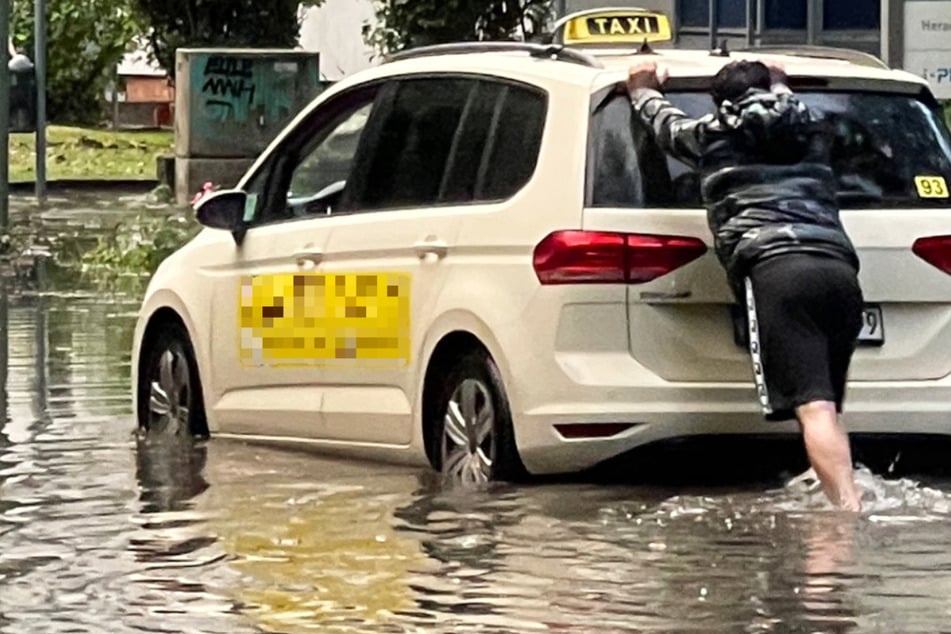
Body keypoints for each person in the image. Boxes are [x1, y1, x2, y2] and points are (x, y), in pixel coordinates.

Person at [626, 59, 864, 512]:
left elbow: (665, 125)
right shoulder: (814, 125)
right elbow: (782, 105)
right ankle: (839, 494)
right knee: (827, 405)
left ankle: (846, 515)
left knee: (814, 407)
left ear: (722, 102)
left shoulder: (713, 135)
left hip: (777, 271)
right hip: (839, 270)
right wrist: (778, 83)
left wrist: (641, 89)